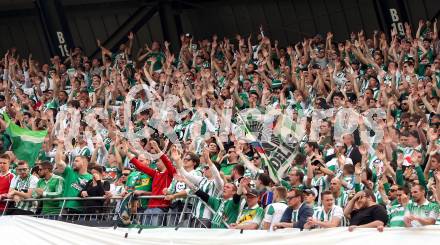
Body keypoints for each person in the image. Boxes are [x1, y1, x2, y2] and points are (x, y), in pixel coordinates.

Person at [124, 140, 176, 227]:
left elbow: (167, 162)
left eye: (158, 161)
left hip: (161, 207)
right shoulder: (155, 173)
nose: (156, 163)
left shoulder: (170, 173)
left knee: (154, 232)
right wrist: (127, 153)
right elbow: (141, 166)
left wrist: (158, 150)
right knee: (144, 230)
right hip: (149, 207)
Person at [54, 141, 93, 214]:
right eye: (74, 161)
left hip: (81, 210)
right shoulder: (69, 172)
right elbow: (59, 162)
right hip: (66, 207)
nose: (74, 162)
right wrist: (60, 145)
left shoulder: (91, 177)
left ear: (84, 163)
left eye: (77, 161)